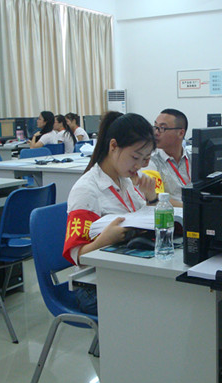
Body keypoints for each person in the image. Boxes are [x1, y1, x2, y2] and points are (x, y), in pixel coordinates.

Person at [63, 112, 157, 314]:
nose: (138, 166)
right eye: (135, 157)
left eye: (145, 159)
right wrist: (104, 240)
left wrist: (152, 199)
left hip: (125, 269)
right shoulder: (86, 191)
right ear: (113, 146)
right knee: (159, 303)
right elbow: (77, 257)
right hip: (95, 285)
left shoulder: (126, 180)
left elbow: (144, 222)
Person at [147, 108, 190, 206]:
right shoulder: (150, 160)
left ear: (181, 133)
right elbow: (157, 198)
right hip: (169, 213)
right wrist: (192, 209)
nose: (156, 133)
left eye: (162, 128)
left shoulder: (193, 158)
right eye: (155, 127)